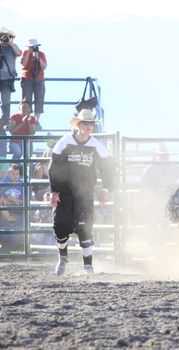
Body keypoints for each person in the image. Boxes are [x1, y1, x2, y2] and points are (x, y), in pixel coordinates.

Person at [48, 109, 114, 275]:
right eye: (85, 123)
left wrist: (106, 189)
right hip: (65, 192)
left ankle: (88, 266)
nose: (88, 127)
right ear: (78, 125)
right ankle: (63, 257)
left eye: (91, 124)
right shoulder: (64, 142)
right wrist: (54, 190)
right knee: (61, 226)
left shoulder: (96, 146)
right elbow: (53, 167)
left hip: (84, 193)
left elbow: (108, 170)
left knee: (85, 227)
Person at [0, 27, 22, 160]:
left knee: (6, 102)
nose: (4, 38)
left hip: (7, 80)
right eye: (2, 36)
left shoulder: (12, 48)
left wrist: (10, 44)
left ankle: (4, 120)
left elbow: (19, 53)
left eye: (7, 36)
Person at [20, 38, 47, 127]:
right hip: (27, 78)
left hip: (39, 79)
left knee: (39, 99)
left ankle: (36, 121)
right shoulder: (25, 53)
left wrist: (38, 57)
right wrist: (28, 52)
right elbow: (23, 63)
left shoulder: (41, 54)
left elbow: (44, 67)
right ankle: (26, 119)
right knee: (26, 99)